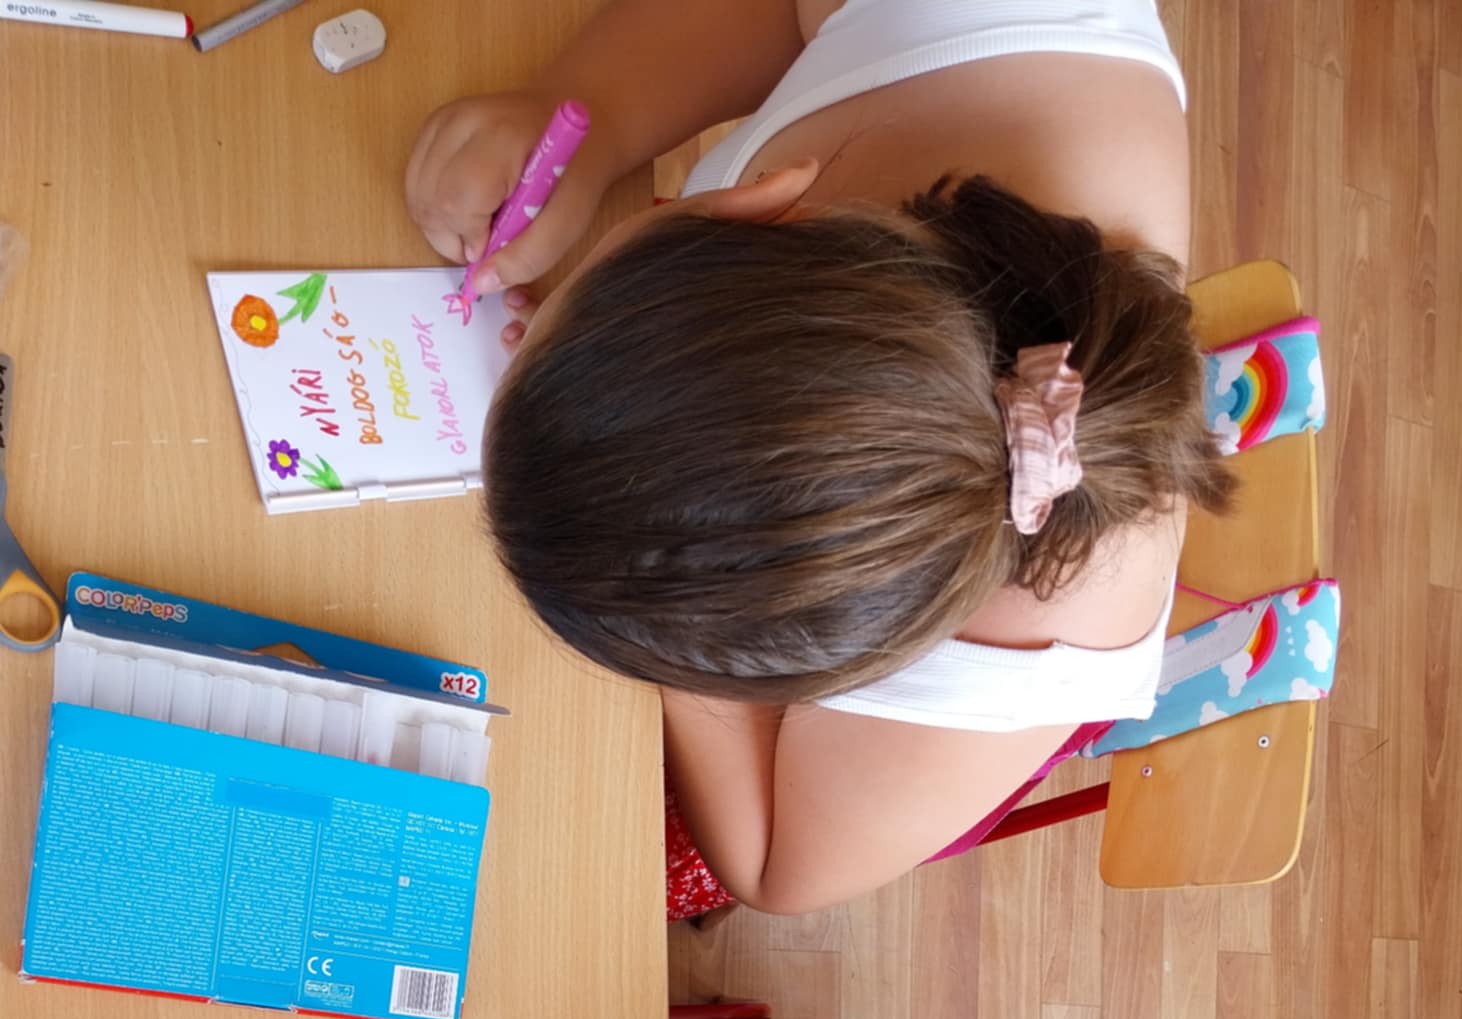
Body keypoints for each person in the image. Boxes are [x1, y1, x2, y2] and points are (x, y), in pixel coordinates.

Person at [405, 3, 1234, 917]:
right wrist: (591, 114)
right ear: (765, 208)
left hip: (833, 769)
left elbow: (773, 869)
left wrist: (669, 609)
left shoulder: (1032, 636)